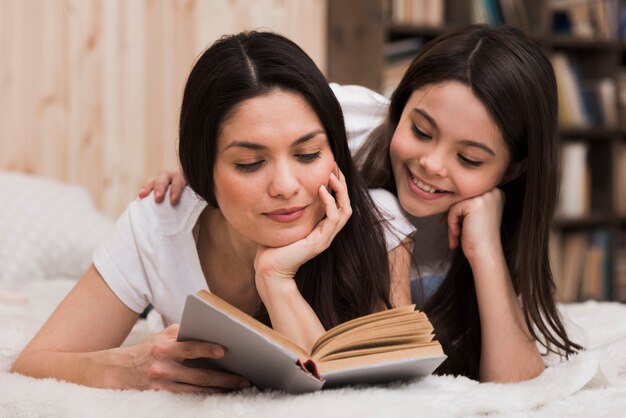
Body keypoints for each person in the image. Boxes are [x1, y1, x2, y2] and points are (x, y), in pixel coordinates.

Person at [143, 25, 583, 383]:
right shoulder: (348, 119)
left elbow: (517, 389)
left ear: (512, 169)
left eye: (468, 158)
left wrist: (485, 251)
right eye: (421, 130)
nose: (430, 164)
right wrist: (199, 174)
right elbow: (246, 127)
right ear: (399, 105)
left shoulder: (499, 212)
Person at [10, 31, 410, 393]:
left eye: (307, 154)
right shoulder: (158, 224)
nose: (286, 186)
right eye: (249, 163)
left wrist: (276, 279)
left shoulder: (380, 222)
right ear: (203, 170)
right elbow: (34, 363)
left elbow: (354, 394)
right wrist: (127, 369)